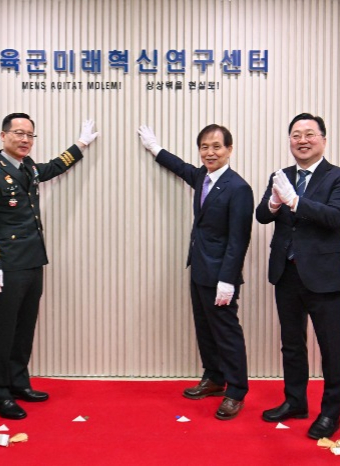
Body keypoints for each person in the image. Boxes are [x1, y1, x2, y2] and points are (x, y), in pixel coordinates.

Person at [0, 113, 98, 420]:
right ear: (3, 136)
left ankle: (18, 383)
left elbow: (53, 167)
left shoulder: (27, 167)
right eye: (18, 133)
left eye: (29, 134)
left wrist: (80, 144)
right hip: (7, 265)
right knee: (3, 330)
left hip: (32, 261)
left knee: (24, 326)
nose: (25, 139)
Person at [137, 124, 253, 421]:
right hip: (199, 268)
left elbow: (239, 240)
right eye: (204, 146)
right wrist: (154, 148)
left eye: (216, 146)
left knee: (226, 333)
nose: (210, 152)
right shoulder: (202, 176)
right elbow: (181, 168)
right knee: (204, 328)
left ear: (229, 149)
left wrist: (228, 280)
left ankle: (236, 391)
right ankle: (214, 378)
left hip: (221, 276)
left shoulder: (239, 188)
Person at [255, 113, 340, 439]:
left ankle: (330, 414)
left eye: (309, 134)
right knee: (292, 344)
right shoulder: (281, 175)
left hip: (325, 275)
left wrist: (296, 201)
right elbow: (261, 215)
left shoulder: (339, 177)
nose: (302, 140)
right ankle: (295, 401)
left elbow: (335, 216)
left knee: (332, 349)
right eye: (296, 134)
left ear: (323, 139)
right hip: (287, 273)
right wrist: (272, 203)